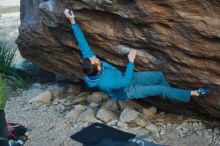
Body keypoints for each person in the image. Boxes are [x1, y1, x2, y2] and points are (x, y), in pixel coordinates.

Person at [64, 9, 210, 103]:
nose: (95, 56)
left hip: (126, 78)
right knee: (161, 89)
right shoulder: (105, 82)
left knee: (159, 76)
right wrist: (131, 61)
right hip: (127, 90)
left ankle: (172, 96)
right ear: (96, 66)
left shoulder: (90, 64)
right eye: (95, 59)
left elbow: (82, 44)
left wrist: (72, 21)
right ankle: (195, 93)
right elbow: (125, 83)